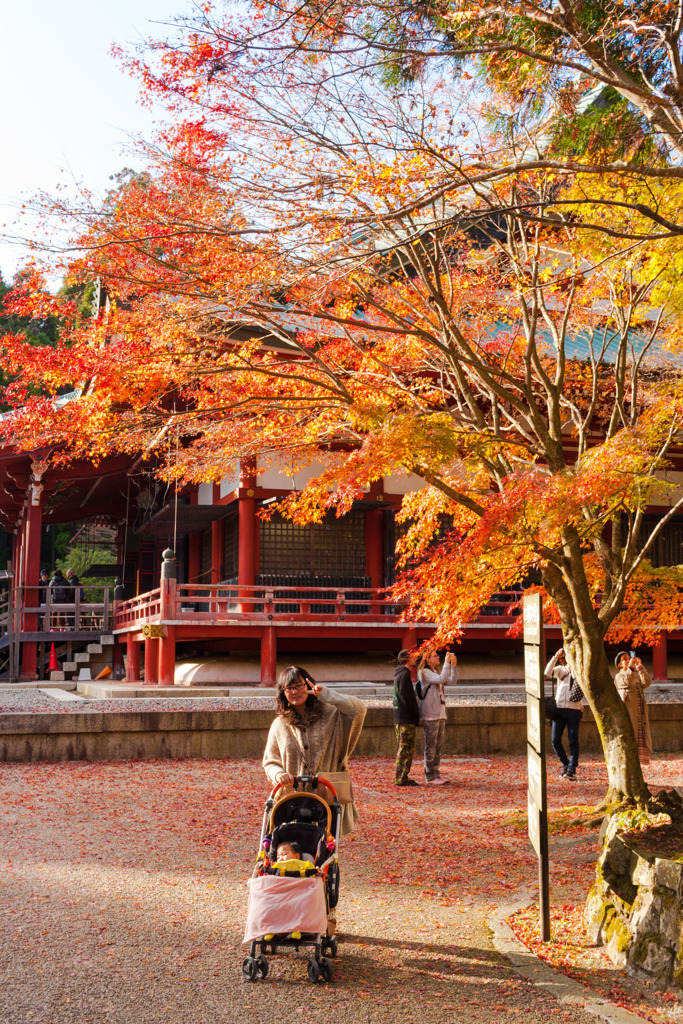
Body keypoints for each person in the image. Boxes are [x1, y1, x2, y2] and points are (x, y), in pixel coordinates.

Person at [263, 666, 367, 837]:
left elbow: (359, 709)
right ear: (283, 692)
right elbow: (270, 761)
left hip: (326, 797)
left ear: (308, 685)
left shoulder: (332, 715)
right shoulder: (279, 724)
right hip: (291, 800)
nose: (295, 692)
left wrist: (327, 695)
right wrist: (278, 774)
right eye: (289, 687)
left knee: (324, 848)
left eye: (299, 686)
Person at [417, 650, 457, 785]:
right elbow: (441, 679)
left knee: (438, 745)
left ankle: (436, 772)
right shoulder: (425, 673)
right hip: (430, 714)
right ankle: (430, 775)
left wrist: (453, 667)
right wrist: (446, 663)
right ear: (428, 660)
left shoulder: (434, 672)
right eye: (435, 656)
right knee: (431, 745)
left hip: (440, 712)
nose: (438, 657)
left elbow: (451, 682)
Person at [545, 648, 583, 781]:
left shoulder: (580, 670)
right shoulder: (561, 669)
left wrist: (576, 667)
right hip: (559, 709)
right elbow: (547, 673)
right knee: (555, 740)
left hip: (574, 709)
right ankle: (565, 764)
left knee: (573, 740)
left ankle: (572, 768)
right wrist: (555, 657)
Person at [614, 651, 653, 765]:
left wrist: (640, 668)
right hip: (629, 712)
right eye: (624, 659)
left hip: (640, 712)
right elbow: (626, 683)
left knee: (642, 738)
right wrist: (630, 668)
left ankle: (638, 767)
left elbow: (647, 682)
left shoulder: (634, 673)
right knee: (630, 737)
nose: (628, 660)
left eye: (628, 658)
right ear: (620, 664)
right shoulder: (619, 676)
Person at [393, 649, 420, 786]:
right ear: (407, 659)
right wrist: (415, 711)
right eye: (414, 656)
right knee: (405, 748)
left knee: (404, 747)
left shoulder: (401, 674)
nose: (416, 658)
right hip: (405, 717)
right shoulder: (404, 675)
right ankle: (401, 777)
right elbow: (406, 697)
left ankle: (402, 776)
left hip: (401, 716)